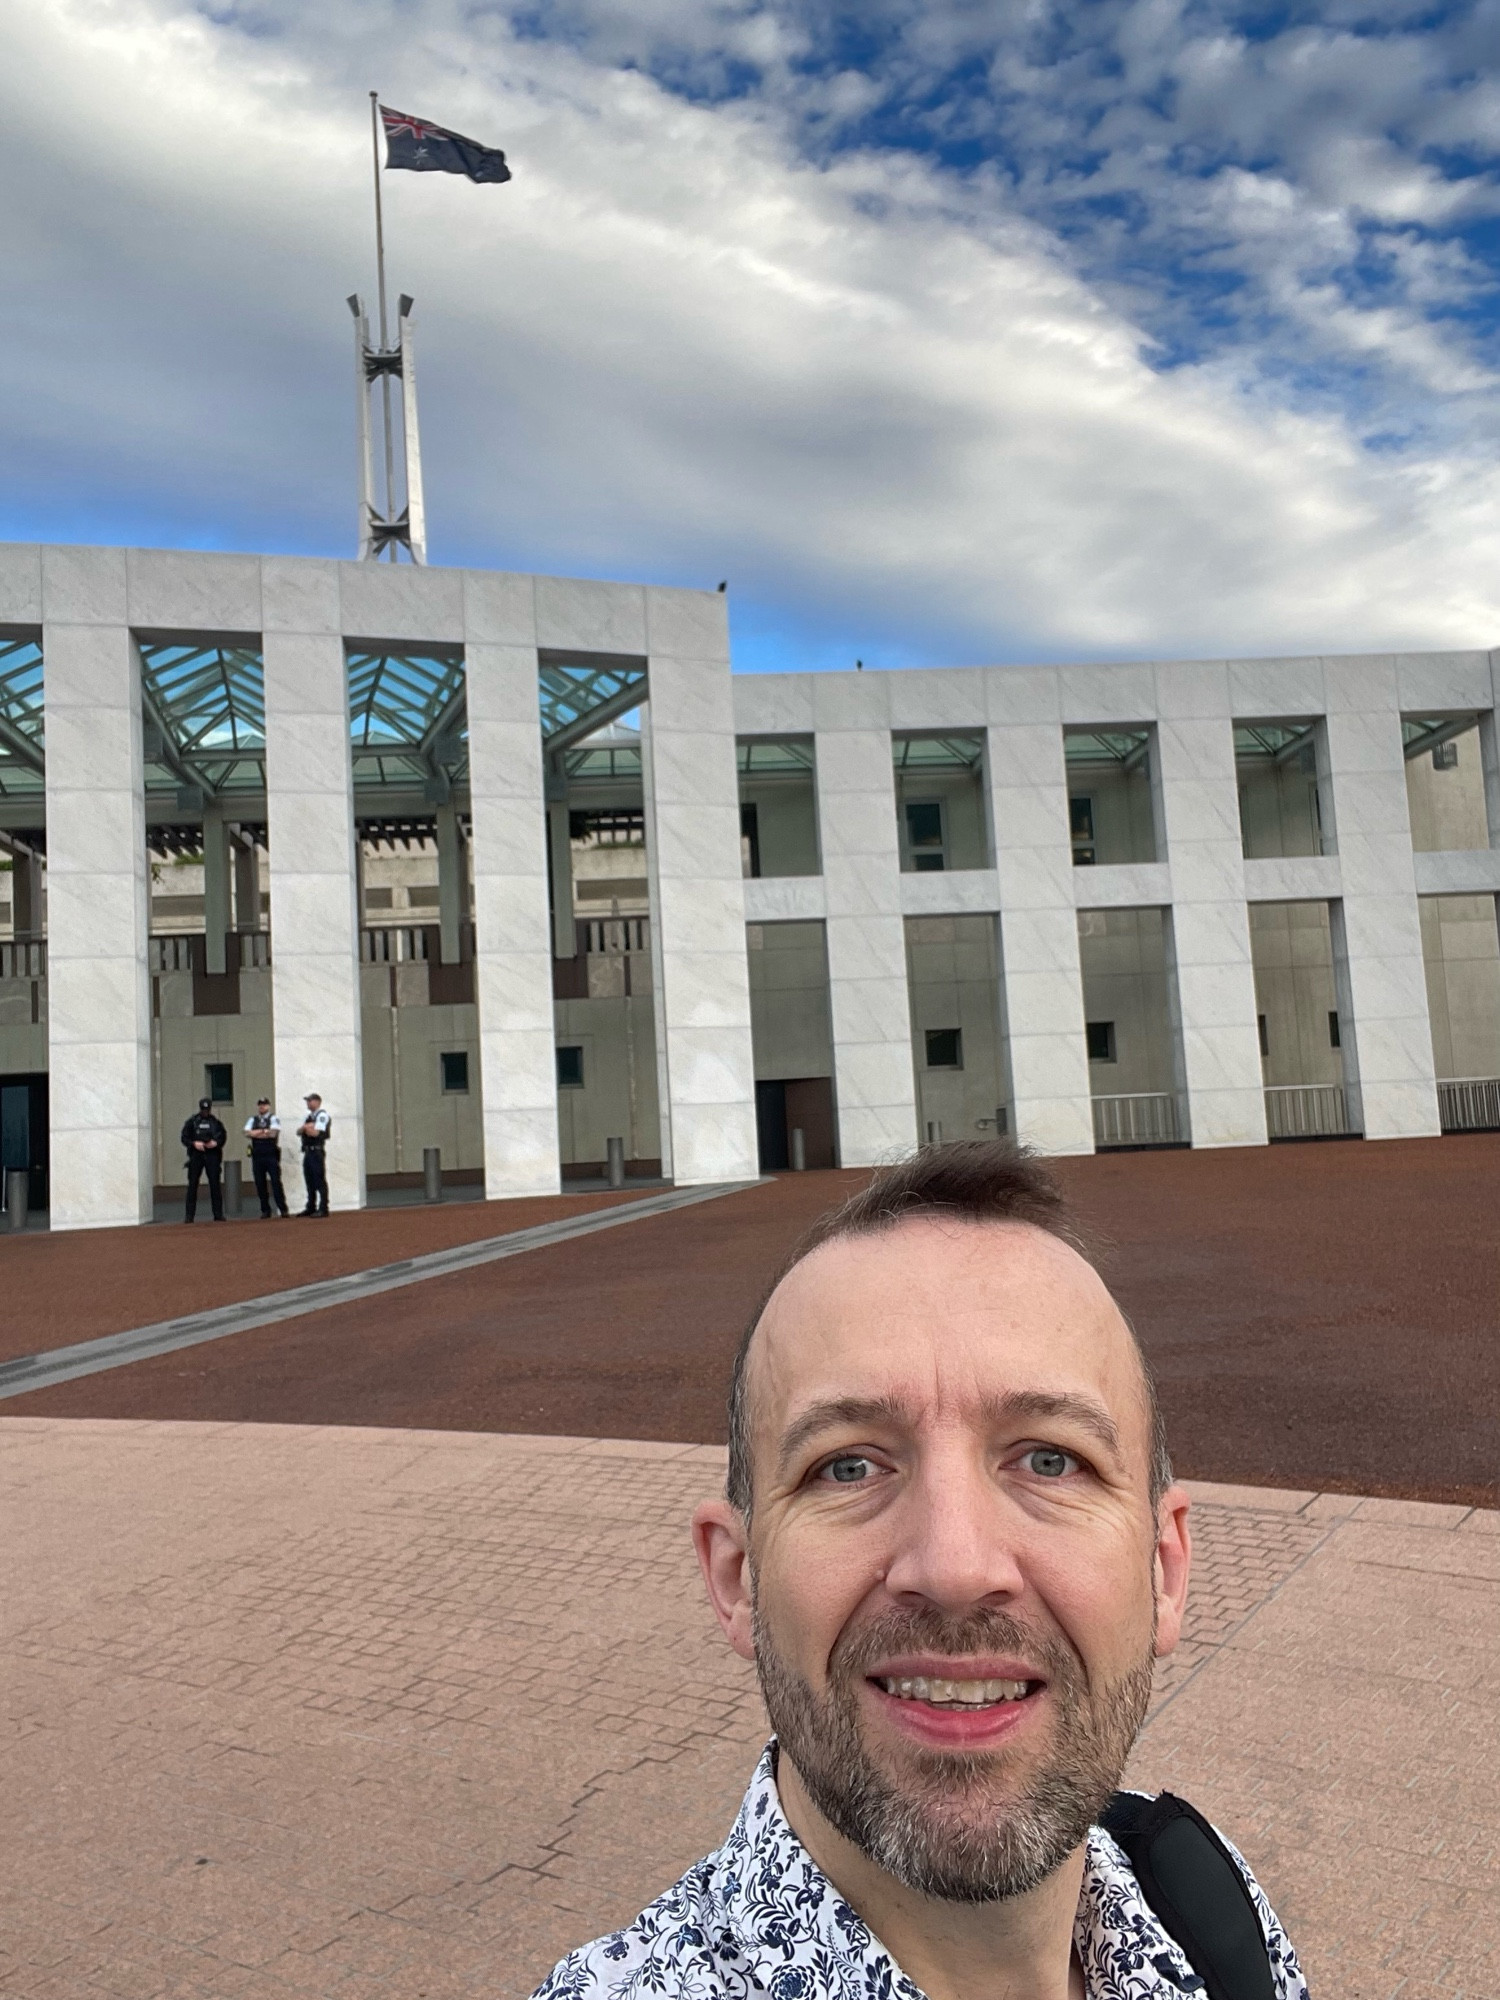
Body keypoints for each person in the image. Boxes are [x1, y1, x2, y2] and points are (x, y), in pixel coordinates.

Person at [533, 1143, 1310, 2000]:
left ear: (1164, 1570)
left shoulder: (1210, 1909)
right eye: (849, 1467)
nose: (955, 1567)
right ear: (737, 1576)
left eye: (1050, 1460)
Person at [180, 1097, 227, 1223]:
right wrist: (194, 1143)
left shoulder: (215, 1122)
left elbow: (222, 1136)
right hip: (196, 1155)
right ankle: (189, 1216)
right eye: (203, 1109)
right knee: (193, 1185)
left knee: (215, 1184)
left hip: (212, 1155)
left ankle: (218, 1214)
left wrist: (215, 1143)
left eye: (207, 1109)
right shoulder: (192, 1122)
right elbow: (184, 1137)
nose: (205, 1111)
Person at [244, 1097, 289, 1219]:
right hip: (257, 1155)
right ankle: (265, 1210)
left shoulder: (274, 1118)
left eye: (264, 1105)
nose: (262, 1107)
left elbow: (273, 1133)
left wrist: (257, 1133)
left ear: (268, 1106)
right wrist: (264, 1132)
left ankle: (283, 1209)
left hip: (271, 1155)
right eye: (260, 1105)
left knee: (276, 1182)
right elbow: (247, 1133)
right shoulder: (252, 1119)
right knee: (260, 1183)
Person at [296, 1093, 331, 1217]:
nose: (308, 1103)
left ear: (318, 1102)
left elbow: (316, 1133)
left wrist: (306, 1129)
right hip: (308, 1151)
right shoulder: (309, 1117)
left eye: (310, 1101)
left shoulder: (322, 1115)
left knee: (319, 1179)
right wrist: (307, 1127)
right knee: (309, 1179)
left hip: (316, 1151)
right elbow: (299, 1131)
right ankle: (311, 1206)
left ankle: (323, 1207)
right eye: (307, 1101)